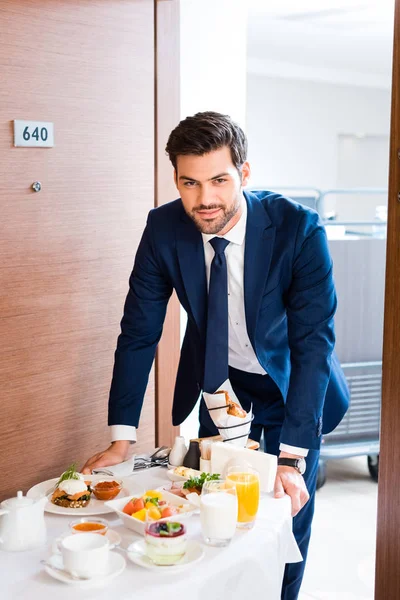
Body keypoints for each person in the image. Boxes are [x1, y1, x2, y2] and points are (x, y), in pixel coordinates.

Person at [83, 111, 349, 599]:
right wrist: (121, 438)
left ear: (244, 174)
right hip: (220, 381)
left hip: (291, 384)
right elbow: (138, 333)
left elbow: (313, 343)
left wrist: (290, 458)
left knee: (284, 513)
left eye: (220, 180)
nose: (205, 199)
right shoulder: (163, 228)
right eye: (190, 183)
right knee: (211, 503)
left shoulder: (298, 229)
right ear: (176, 180)